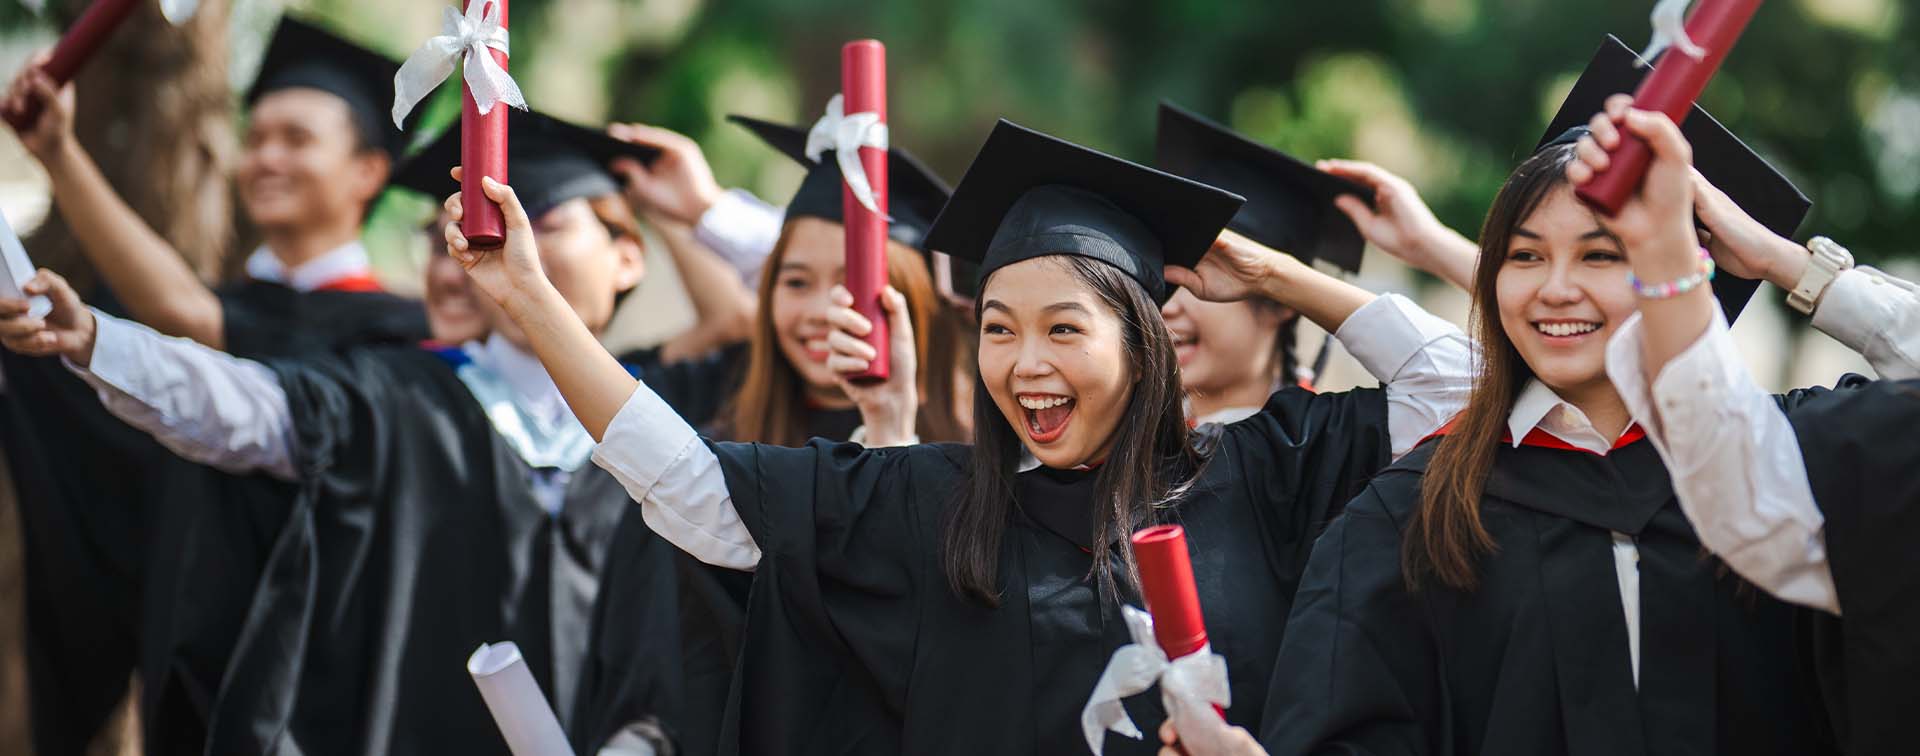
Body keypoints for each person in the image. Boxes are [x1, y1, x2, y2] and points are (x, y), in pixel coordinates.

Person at [449, 118, 1471, 754]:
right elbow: (692, 493)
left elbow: (1457, 386)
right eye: (999, 329)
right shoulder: (936, 504)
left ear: (1142, 342)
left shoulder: (1268, 471)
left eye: (1064, 329)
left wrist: (1278, 274)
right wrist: (532, 301)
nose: (1024, 363)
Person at [0, 109, 687, 756]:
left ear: (628, 257)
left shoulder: (674, 414)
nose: (521, 243)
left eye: (547, 222)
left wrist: (692, 216)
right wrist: (96, 340)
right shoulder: (397, 394)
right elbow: (244, 407)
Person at [1256, 39, 1838, 756]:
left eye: (1601, 254)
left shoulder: (1783, 467)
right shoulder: (1413, 512)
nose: (1555, 289)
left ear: (1673, 270)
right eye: (1525, 256)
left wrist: (1786, 263)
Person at [0, 19, 432, 754]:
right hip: (190, 654)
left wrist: (61, 154)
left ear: (368, 171)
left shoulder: (401, 334)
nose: (265, 158)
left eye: (296, 139)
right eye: (254, 138)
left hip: (326, 675)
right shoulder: (236, 307)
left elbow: (189, 317)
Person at [574, 110, 974, 756]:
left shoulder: (971, 462)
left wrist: (708, 209)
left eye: (853, 285)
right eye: (794, 282)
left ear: (911, 301)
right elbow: (654, 651)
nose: (820, 311)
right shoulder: (715, 437)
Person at [1581, 91, 1920, 755]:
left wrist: (1668, 261)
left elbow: (1755, 495)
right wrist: (1783, 261)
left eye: (1597, 256)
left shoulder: (1832, 433)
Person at [1154, 103, 1392, 423]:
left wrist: (1430, 243)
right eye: (1168, 270)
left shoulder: (1327, 440)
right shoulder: (1131, 441)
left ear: (1282, 300)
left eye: (1199, 276)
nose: (1166, 305)